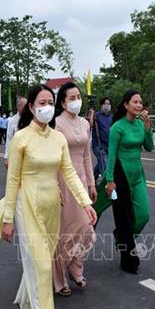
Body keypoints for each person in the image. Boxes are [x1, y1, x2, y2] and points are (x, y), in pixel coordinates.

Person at [0, 84, 97, 309]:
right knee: (43, 267)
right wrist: (8, 220)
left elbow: (69, 173)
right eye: (42, 103)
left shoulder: (58, 138)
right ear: (32, 108)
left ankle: (27, 301)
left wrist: (86, 203)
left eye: (50, 103)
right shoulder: (21, 139)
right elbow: (13, 180)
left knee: (38, 263)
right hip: (27, 207)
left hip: (52, 207)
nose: (47, 107)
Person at [52, 82, 97, 297]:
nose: (76, 101)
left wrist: (91, 184)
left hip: (81, 181)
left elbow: (87, 156)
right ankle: (60, 277)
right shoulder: (56, 124)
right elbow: (53, 159)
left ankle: (76, 267)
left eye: (78, 96)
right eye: (71, 97)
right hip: (63, 181)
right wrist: (54, 185)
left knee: (87, 230)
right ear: (62, 101)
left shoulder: (86, 123)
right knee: (66, 231)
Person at [104, 90, 153, 274]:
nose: (139, 105)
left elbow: (149, 147)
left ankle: (120, 237)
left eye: (141, 102)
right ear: (126, 105)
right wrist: (110, 180)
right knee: (125, 217)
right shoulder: (117, 127)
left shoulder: (141, 124)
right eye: (135, 102)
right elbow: (112, 155)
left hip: (138, 174)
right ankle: (128, 258)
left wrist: (148, 127)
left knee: (143, 214)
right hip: (121, 175)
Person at [91, 97, 112, 181]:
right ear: (101, 105)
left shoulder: (111, 117)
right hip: (98, 145)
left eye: (109, 104)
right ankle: (106, 183)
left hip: (108, 145)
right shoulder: (97, 115)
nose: (107, 106)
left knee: (101, 163)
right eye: (105, 103)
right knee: (105, 165)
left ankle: (92, 178)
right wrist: (92, 113)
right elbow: (91, 124)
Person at [4, 96, 27, 169]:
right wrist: (7, 157)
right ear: (18, 106)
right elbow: (9, 140)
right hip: (16, 155)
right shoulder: (12, 121)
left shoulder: (32, 119)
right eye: (24, 106)